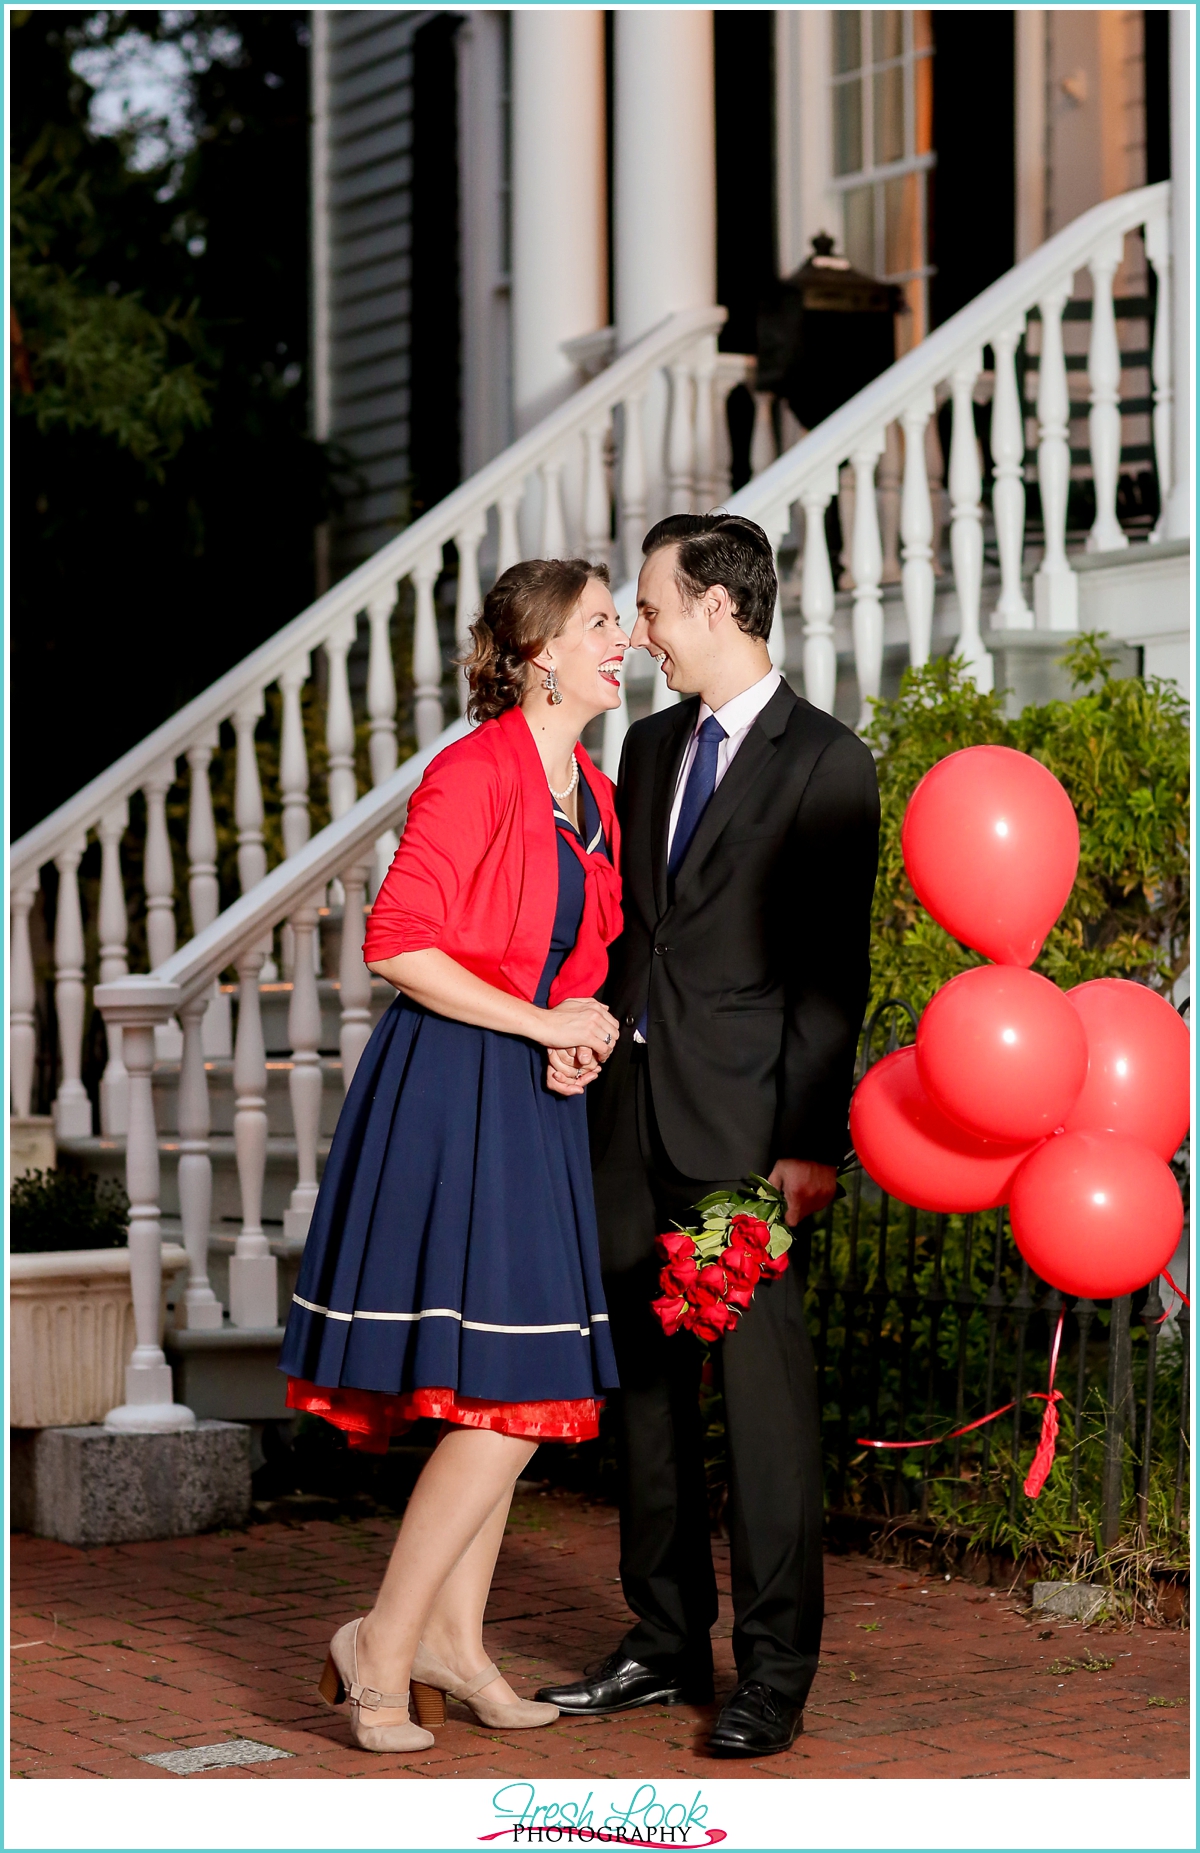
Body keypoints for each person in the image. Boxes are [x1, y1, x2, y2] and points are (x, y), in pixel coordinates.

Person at [536, 514, 880, 1757]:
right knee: (645, 1398)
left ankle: (774, 1672)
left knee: (765, 1412)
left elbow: (831, 974)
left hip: (747, 1137)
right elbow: (637, 932)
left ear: (721, 609)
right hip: (631, 1112)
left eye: (654, 607)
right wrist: (584, 1028)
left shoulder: (829, 762)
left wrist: (808, 1143)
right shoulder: (647, 743)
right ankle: (661, 1636)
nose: (641, 631)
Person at [278, 557, 628, 1753]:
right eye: (597, 623)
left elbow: (567, 956)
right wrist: (541, 1023)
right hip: (451, 1086)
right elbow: (398, 941)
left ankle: (455, 1644)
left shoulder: (590, 784)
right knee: (513, 1401)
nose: (620, 637)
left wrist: (572, 1033)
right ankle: (382, 1642)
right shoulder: (473, 771)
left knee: (516, 1390)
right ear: (539, 655)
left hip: (529, 1092)